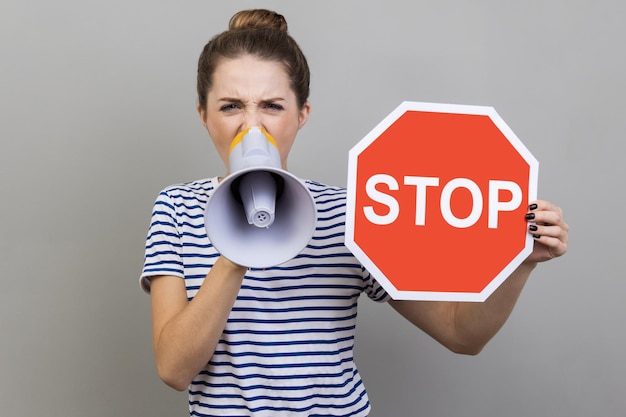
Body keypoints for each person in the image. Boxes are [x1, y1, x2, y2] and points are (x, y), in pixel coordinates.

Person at [140, 9, 569, 417]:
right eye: (231, 105)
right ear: (203, 115)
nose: (252, 126)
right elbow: (175, 370)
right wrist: (238, 247)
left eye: (272, 105)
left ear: (301, 114)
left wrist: (521, 262)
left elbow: (461, 334)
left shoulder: (353, 212)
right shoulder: (177, 207)